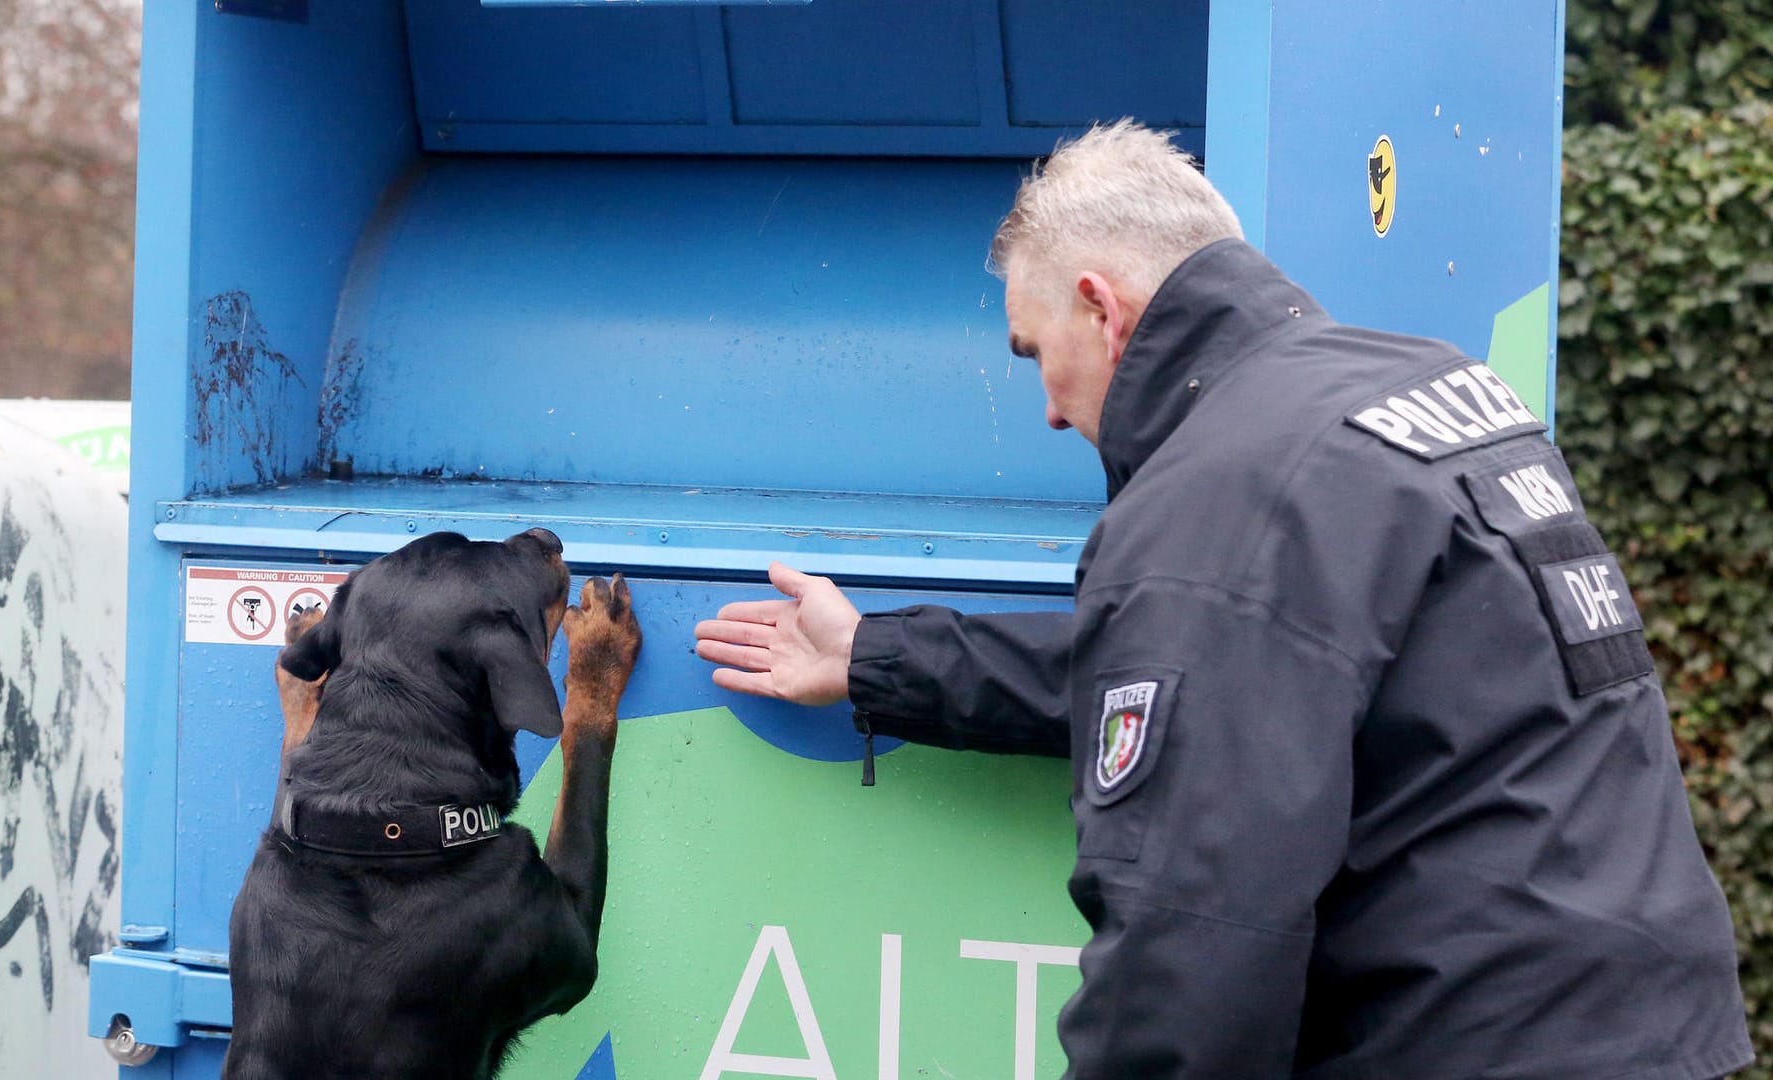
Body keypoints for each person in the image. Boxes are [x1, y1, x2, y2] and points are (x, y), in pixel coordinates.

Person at [693, 121, 1752, 1079]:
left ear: (1101, 309)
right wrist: (881, 656)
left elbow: (1190, 948)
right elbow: (1224, 679)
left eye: (1035, 352)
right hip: (1642, 1024)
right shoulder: (1419, 391)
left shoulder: (1219, 491)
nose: (1051, 410)